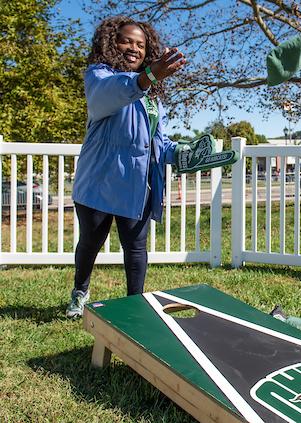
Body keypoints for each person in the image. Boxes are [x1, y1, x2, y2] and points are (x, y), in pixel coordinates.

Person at [65, 16, 186, 319]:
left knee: (136, 248)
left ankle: (136, 305)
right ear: (112, 44)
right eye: (127, 41)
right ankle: (80, 291)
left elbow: (160, 144)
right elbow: (111, 95)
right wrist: (146, 78)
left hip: (136, 184)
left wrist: (186, 153)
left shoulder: (150, 99)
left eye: (141, 45)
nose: (134, 48)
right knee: (91, 242)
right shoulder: (99, 77)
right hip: (99, 182)